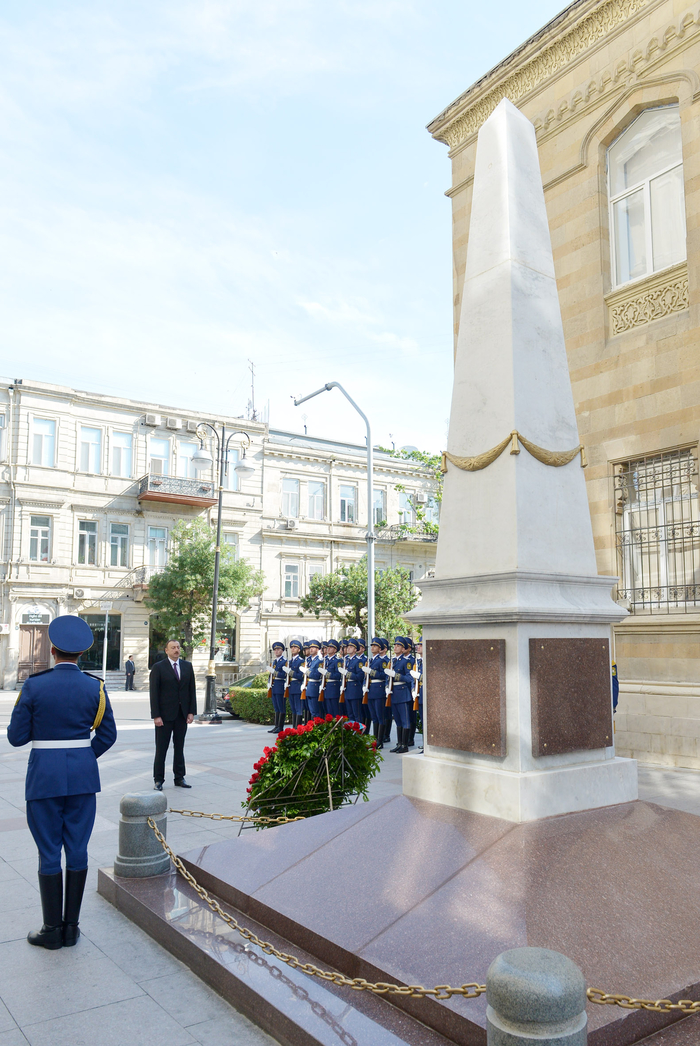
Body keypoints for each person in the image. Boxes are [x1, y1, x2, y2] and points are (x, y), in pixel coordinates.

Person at [7, 615, 117, 950]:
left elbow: (16, 737)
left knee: (49, 850)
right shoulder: (95, 687)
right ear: (82, 654)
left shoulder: (34, 685)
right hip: (82, 778)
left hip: (44, 777)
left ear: (52, 650)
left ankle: (51, 929)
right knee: (78, 849)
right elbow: (108, 735)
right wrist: (82, 756)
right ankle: (71, 929)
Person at [150, 639, 197, 790]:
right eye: (173, 648)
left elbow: (191, 691)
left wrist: (191, 712)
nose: (176, 650)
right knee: (161, 749)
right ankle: (158, 780)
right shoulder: (158, 667)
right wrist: (156, 715)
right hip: (164, 716)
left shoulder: (187, 666)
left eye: (178, 647)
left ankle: (179, 777)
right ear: (166, 650)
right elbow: (154, 693)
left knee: (179, 747)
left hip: (181, 715)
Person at [385, 636, 415, 754]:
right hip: (394, 693)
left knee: (405, 720)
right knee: (397, 721)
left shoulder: (406, 661)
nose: (396, 647)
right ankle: (399, 743)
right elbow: (388, 677)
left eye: (399, 646)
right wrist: (387, 686)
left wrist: (396, 676)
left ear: (403, 649)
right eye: (395, 645)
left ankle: (405, 745)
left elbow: (409, 677)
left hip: (403, 693)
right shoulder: (393, 661)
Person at [366, 637, 390, 747]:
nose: (372, 647)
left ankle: (380, 740)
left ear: (380, 649)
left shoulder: (382, 661)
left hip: (379, 690)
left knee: (380, 716)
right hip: (371, 690)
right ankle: (375, 740)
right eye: (372, 645)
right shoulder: (371, 660)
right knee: (374, 716)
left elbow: (384, 675)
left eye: (375, 646)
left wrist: (372, 672)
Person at [268, 642, 288, 734]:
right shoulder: (274, 662)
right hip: (274, 686)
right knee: (276, 707)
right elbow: (271, 675)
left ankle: (280, 727)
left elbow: (284, 675)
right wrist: (269, 683)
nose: (276, 651)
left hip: (280, 686)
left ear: (282, 651)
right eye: (275, 650)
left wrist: (274, 672)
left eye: (278, 649)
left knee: (281, 707)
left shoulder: (284, 661)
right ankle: (276, 726)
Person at [343, 638, 364, 725]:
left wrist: (348, 674)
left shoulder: (358, 661)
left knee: (357, 715)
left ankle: (359, 732)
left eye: (351, 647)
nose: (348, 648)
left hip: (355, 691)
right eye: (348, 646)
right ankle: (352, 731)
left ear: (355, 649)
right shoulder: (346, 660)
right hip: (348, 690)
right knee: (350, 715)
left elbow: (360, 676)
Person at [287, 640, 305, 728]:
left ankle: (298, 728)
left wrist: (291, 673)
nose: (293, 649)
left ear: (299, 650)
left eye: (295, 647)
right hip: (291, 687)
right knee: (293, 709)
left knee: (298, 709)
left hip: (297, 686)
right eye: (292, 647)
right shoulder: (290, 662)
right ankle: (294, 728)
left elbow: (301, 675)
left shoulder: (301, 661)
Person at [323, 639, 342, 717]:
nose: (328, 648)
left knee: (335, 712)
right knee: (328, 713)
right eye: (328, 647)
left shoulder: (337, 661)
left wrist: (327, 674)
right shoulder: (325, 660)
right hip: (326, 688)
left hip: (333, 688)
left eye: (331, 647)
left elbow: (338, 675)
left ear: (335, 650)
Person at [305, 640, 323, 718]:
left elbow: (317, 675)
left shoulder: (319, 661)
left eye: (313, 647)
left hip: (314, 686)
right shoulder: (309, 660)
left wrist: (307, 672)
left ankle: (317, 725)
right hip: (309, 687)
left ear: (318, 649)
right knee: (312, 711)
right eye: (310, 647)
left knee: (315, 711)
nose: (311, 649)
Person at [415, 639, 424, 752]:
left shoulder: (429, 660)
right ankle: (424, 744)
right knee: (422, 721)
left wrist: (420, 677)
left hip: (426, 694)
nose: (418, 647)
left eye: (420, 645)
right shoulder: (418, 662)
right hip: (419, 694)